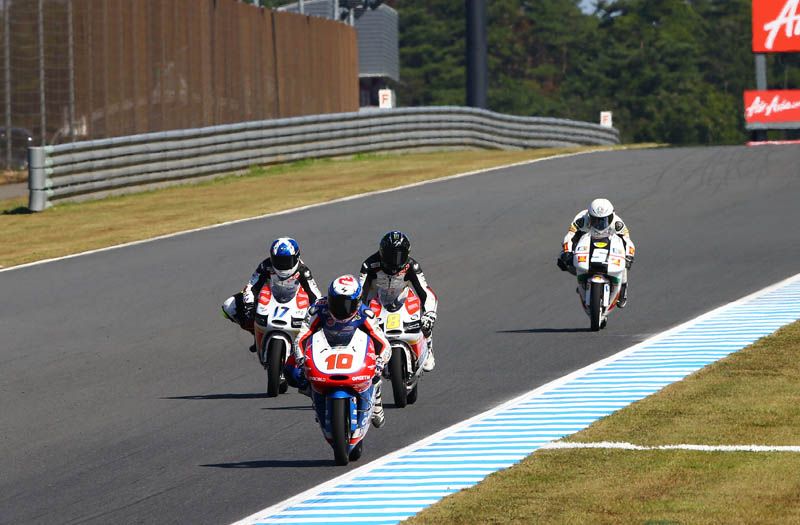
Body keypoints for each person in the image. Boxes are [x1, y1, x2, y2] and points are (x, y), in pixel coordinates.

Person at [286, 275, 392, 427]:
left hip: (355, 350)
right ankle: (315, 394)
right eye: (337, 303)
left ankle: (376, 398)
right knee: (291, 370)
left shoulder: (365, 313)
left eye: (347, 304)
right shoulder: (318, 309)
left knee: (381, 368)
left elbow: (383, 343)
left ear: (357, 302)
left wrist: (380, 361)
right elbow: (302, 337)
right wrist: (301, 361)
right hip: (325, 349)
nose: (342, 308)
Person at [221, 237, 321, 350]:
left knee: (319, 321)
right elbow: (252, 285)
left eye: (286, 261)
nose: (282, 265)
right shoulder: (266, 265)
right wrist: (249, 304)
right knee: (228, 307)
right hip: (269, 298)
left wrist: (318, 310)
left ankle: (306, 346)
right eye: (278, 261)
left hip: (295, 302)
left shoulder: (303, 270)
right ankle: (256, 333)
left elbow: (315, 293)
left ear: (296, 258)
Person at [359, 231, 438, 371]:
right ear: (382, 253)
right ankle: (366, 359)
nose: (395, 260)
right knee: (363, 329)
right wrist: (360, 313)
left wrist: (430, 313)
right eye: (390, 255)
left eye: (400, 256)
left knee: (426, 322)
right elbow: (361, 292)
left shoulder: (412, 265)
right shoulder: (369, 265)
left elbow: (425, 291)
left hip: (403, 296)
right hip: (377, 299)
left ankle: (428, 347)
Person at [557, 198, 636, 307]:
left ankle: (623, 288)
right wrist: (567, 252)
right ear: (589, 216)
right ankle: (582, 276)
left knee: (623, 261)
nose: (600, 224)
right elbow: (569, 236)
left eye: (604, 220)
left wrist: (629, 256)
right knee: (562, 259)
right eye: (595, 220)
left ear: (611, 216)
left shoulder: (617, 224)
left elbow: (627, 241)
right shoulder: (581, 220)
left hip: (609, 240)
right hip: (585, 238)